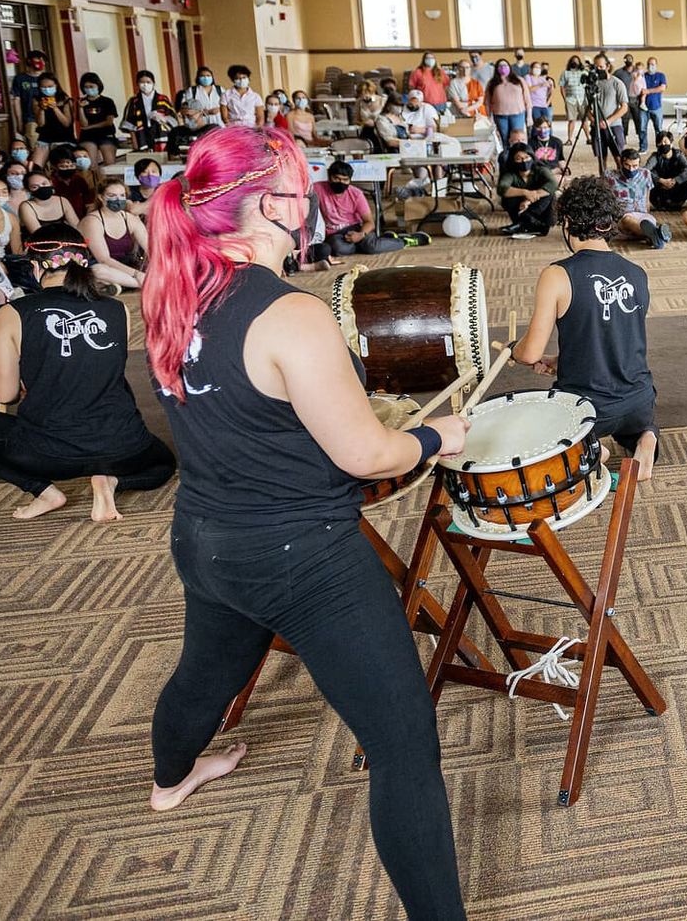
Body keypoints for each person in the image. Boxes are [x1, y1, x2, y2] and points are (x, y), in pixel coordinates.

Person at [138, 125, 468, 918]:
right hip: (302, 560)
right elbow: (365, 453)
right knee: (403, 745)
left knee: (203, 675)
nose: (315, 201)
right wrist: (433, 436)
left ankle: (170, 779)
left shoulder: (178, 291)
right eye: (302, 187)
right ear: (268, 205)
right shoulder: (291, 315)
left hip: (205, 539)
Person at [0, 224, 173, 522]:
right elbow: (97, 369)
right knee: (162, 463)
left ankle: (43, 490)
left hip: (46, 455)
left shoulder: (12, 313)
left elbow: (4, 395)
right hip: (121, 446)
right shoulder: (117, 309)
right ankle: (112, 481)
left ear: (35, 268)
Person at [511, 175, 659, 481]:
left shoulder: (557, 274)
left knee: (533, 434)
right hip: (639, 400)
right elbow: (614, 339)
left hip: (589, 408)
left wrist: (514, 349)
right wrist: (561, 361)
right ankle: (646, 437)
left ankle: (591, 450)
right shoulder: (637, 273)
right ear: (607, 222)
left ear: (566, 222)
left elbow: (529, 354)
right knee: (638, 422)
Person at [313, 161, 412, 256]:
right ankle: (367, 244)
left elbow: (369, 222)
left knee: (372, 247)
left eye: (345, 180)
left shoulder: (356, 194)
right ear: (329, 177)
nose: (340, 182)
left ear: (350, 180)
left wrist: (360, 234)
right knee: (338, 247)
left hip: (356, 228)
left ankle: (403, 241)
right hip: (334, 233)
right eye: (336, 178)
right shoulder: (318, 188)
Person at [78, 178, 148, 288]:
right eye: (112, 195)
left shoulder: (130, 218)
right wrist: (137, 274)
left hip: (126, 266)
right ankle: (147, 284)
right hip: (105, 267)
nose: (118, 199)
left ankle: (122, 285)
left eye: (122, 195)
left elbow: (151, 249)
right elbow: (104, 259)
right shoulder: (92, 221)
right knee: (98, 271)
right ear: (101, 197)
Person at [603, 147, 669, 249]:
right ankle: (655, 235)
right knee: (628, 220)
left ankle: (652, 235)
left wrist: (647, 213)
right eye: (627, 165)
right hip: (623, 217)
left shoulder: (646, 174)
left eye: (635, 166)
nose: (631, 169)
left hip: (642, 216)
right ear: (621, 163)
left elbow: (647, 197)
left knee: (647, 222)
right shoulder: (610, 176)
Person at [498, 144, 560, 238]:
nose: (524, 161)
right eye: (519, 158)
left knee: (549, 194)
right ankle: (528, 224)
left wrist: (530, 199)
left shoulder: (541, 169)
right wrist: (525, 192)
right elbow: (502, 188)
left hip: (539, 209)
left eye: (527, 157)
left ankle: (523, 222)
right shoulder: (510, 173)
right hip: (519, 208)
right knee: (507, 197)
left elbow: (553, 183)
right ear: (513, 160)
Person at [123, 71, 179, 150]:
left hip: (161, 134)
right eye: (142, 82)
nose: (145, 85)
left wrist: (163, 118)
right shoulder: (133, 101)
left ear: (153, 83)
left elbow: (173, 119)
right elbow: (129, 123)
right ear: (137, 84)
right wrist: (134, 141)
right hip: (142, 135)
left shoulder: (163, 99)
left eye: (148, 82)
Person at [487, 58, 530, 143]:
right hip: (500, 116)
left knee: (517, 139)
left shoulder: (519, 80)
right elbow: (487, 102)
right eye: (500, 66)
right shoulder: (492, 83)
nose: (503, 67)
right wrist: (489, 118)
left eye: (505, 65)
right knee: (505, 139)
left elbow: (527, 98)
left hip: (518, 114)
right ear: (496, 69)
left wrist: (529, 116)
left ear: (510, 67)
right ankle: (506, 155)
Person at [36, 72, 80, 152]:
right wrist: (41, 109)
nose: (47, 89)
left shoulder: (65, 99)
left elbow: (67, 123)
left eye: (50, 86)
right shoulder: (37, 99)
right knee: (36, 162)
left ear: (56, 85)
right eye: (43, 87)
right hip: (45, 138)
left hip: (64, 138)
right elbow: (40, 124)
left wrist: (55, 108)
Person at [648, 131, 687, 211]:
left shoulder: (678, 155)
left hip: (677, 188)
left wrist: (675, 180)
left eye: (665, 142)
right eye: (660, 143)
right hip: (660, 189)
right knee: (650, 173)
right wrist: (660, 180)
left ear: (671, 144)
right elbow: (645, 170)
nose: (663, 145)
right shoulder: (655, 156)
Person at [47, 147, 94, 219]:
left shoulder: (79, 180)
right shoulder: (50, 183)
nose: (69, 169)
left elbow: (89, 203)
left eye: (72, 166)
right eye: (64, 166)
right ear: (54, 166)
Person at [637, 57, 666, 150]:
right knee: (642, 129)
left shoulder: (661, 75)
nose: (651, 66)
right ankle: (643, 147)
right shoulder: (643, 76)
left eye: (653, 64)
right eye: (649, 64)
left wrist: (648, 91)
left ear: (656, 65)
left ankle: (660, 147)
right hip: (643, 108)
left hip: (656, 107)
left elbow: (662, 88)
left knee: (658, 129)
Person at [559, 56, 589, 128]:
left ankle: (588, 138)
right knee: (571, 120)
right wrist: (565, 99)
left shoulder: (584, 72)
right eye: (573, 61)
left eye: (577, 61)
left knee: (585, 120)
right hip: (570, 100)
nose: (575, 62)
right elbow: (562, 86)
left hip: (582, 99)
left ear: (579, 62)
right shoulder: (565, 73)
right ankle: (570, 138)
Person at [525, 61, 556, 128]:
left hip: (544, 105)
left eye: (539, 68)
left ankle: (547, 137)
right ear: (531, 68)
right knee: (537, 124)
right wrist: (541, 85)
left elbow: (547, 93)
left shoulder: (542, 78)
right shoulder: (528, 77)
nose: (537, 69)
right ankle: (535, 137)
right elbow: (529, 89)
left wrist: (551, 87)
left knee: (547, 123)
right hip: (534, 105)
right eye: (536, 67)